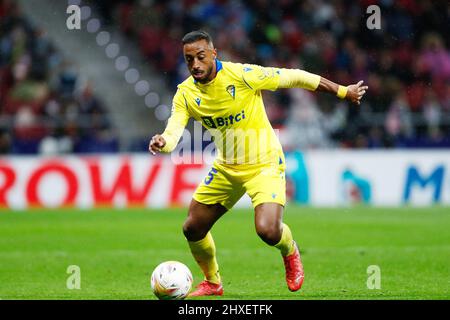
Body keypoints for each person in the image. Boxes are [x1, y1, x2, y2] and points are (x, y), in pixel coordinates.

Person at [149, 30, 368, 297]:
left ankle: (290, 250)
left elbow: (294, 76)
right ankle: (213, 283)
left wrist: (343, 91)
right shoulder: (185, 94)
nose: (195, 64)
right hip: (227, 167)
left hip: (264, 163)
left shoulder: (242, 75)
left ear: (214, 54)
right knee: (192, 228)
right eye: (189, 59)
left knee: (267, 230)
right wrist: (163, 142)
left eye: (201, 57)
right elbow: (174, 131)